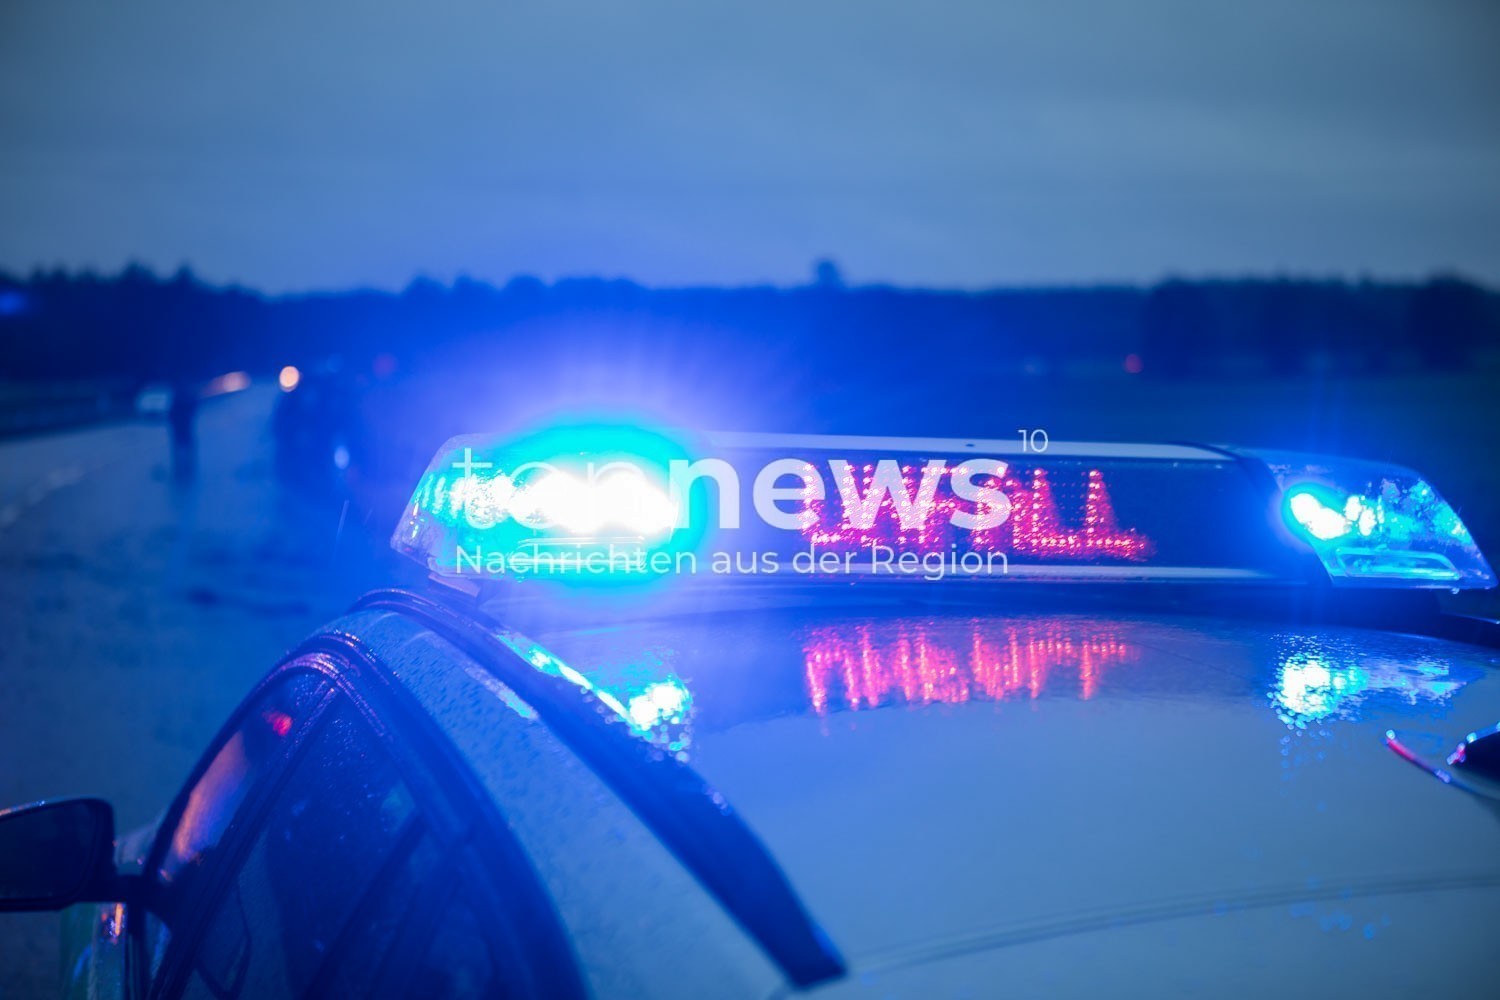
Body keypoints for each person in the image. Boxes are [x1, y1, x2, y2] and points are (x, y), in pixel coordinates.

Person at [168, 381, 199, 479]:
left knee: (183, 449)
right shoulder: (180, 398)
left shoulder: (181, 398)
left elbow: (193, 407)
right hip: (180, 427)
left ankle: (185, 471)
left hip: (183, 427)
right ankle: (183, 471)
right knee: (182, 449)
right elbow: (171, 414)